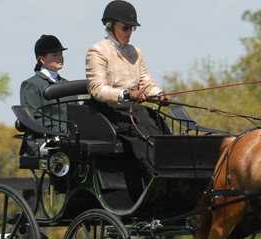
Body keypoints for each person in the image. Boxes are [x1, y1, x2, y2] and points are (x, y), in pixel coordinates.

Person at [86, 0, 171, 177]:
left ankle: (172, 167)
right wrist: (127, 93)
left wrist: (159, 95)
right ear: (110, 26)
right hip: (108, 110)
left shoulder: (135, 52)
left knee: (159, 124)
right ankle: (157, 176)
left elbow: (146, 82)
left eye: (132, 28)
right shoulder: (97, 51)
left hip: (133, 109)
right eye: (125, 28)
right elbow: (97, 89)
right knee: (141, 131)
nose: (129, 32)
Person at [20, 34, 72, 129]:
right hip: (43, 139)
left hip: (69, 139)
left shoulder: (68, 84)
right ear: (42, 59)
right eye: (55, 55)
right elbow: (33, 117)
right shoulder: (31, 85)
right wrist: (61, 130)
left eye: (61, 54)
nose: (60, 58)